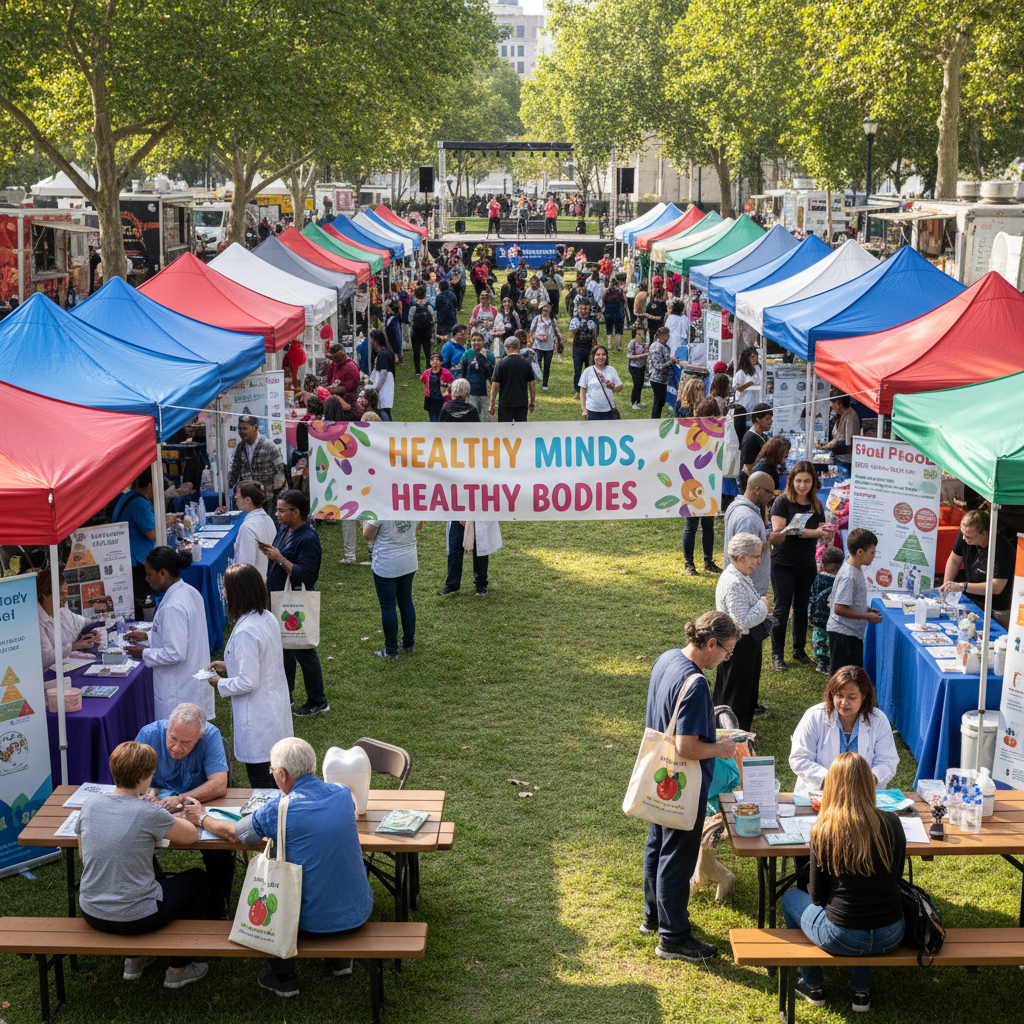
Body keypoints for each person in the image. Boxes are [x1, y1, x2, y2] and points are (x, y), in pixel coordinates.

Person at [184, 737, 373, 997]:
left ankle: (283, 978)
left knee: (267, 907)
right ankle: (340, 961)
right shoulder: (342, 793)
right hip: (357, 913)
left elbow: (234, 834)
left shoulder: (278, 809)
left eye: (272, 771)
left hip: (308, 925)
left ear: (282, 774)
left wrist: (202, 817)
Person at [642, 611, 740, 962]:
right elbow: (687, 746)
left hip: (661, 775)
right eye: (727, 652)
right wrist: (722, 748)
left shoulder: (667, 658)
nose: (726, 659)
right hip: (683, 779)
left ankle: (653, 917)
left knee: (658, 842)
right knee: (679, 855)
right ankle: (673, 938)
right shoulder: (697, 684)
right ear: (711, 643)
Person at [76, 740, 209, 989]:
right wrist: (197, 813)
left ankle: (135, 961)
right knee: (198, 879)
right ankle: (178, 968)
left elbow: (84, 855)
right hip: (137, 918)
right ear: (144, 777)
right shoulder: (149, 813)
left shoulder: (90, 805)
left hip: (91, 911)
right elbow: (191, 835)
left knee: (143, 875)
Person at [780, 750, 905, 1013]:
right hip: (892, 932)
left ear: (832, 786)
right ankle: (861, 992)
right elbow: (894, 879)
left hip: (843, 936)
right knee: (868, 907)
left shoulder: (824, 829)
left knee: (791, 897)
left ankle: (812, 983)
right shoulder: (893, 822)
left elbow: (816, 897)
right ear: (869, 783)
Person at [133, 703, 234, 917]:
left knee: (219, 850)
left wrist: (181, 800)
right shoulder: (148, 734)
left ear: (200, 736)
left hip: (200, 808)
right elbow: (130, 782)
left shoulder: (211, 735)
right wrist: (146, 796)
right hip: (155, 811)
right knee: (133, 838)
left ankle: (218, 904)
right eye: (172, 738)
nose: (177, 748)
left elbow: (219, 784)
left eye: (186, 743)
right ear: (167, 727)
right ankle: (154, 889)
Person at [205, 565, 293, 789]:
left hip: (259, 719)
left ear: (238, 592)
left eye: (226, 587)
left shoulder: (246, 630)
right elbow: (263, 659)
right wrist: (230, 665)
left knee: (264, 784)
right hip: (273, 711)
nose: (223, 591)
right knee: (277, 779)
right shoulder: (267, 618)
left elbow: (248, 681)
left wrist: (219, 682)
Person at [721, 472, 786, 718]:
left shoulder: (736, 507)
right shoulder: (748, 518)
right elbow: (743, 621)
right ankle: (737, 714)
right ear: (757, 489)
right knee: (741, 668)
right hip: (750, 596)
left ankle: (746, 705)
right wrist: (762, 605)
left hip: (749, 590)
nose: (771, 498)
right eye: (770, 493)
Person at [125, 548, 212, 721]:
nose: (146, 579)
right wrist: (149, 637)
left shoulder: (173, 605)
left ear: (163, 573)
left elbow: (175, 652)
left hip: (179, 690)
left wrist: (143, 653)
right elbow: (183, 634)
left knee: (178, 741)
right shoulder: (190, 591)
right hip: (191, 682)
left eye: (149, 574)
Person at [264, 489, 328, 716]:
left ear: (296, 512)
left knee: (303, 650)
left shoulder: (308, 537)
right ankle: (286, 694)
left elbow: (307, 575)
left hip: (294, 603)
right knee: (285, 650)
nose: (277, 514)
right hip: (280, 599)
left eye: (282, 510)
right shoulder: (285, 528)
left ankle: (318, 701)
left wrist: (279, 559)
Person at [790, 666, 899, 797]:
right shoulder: (814, 717)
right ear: (832, 694)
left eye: (852, 697)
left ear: (863, 697)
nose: (844, 702)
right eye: (839, 695)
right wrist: (831, 781)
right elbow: (799, 759)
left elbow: (887, 762)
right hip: (820, 795)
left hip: (863, 797)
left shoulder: (878, 719)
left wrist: (869, 780)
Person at [769, 462, 834, 672]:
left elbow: (821, 527)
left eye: (807, 481)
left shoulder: (815, 503)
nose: (802, 485)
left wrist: (826, 531)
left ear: (814, 482)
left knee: (801, 608)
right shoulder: (781, 502)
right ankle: (777, 653)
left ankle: (799, 650)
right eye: (798, 481)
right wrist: (815, 532)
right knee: (781, 610)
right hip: (783, 564)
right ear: (791, 480)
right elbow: (780, 531)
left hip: (806, 564)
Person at [714, 533, 771, 730]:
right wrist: (763, 606)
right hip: (739, 647)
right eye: (755, 556)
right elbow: (741, 621)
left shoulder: (740, 576)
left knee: (744, 692)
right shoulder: (734, 582)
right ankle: (734, 736)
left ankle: (736, 734)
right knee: (737, 694)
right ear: (741, 558)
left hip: (743, 644)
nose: (758, 561)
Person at [939, 506, 1014, 628]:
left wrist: (961, 586)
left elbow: (996, 587)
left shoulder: (1002, 548)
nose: (964, 538)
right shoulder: (966, 533)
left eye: (968, 536)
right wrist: (947, 587)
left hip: (998, 608)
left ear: (984, 534)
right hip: (973, 602)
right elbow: (954, 559)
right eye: (963, 534)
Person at [362, 519, 423, 658]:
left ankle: (391, 649)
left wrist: (365, 516)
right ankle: (408, 643)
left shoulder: (380, 507)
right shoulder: (410, 501)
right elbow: (419, 525)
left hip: (387, 562)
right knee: (406, 601)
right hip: (408, 559)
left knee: (388, 606)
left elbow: (367, 535)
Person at [826, 528, 883, 673]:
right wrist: (866, 616)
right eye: (872, 552)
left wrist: (866, 610)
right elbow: (839, 608)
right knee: (843, 679)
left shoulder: (854, 569)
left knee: (850, 677)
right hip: (844, 635)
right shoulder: (849, 575)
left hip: (850, 633)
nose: (874, 556)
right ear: (860, 552)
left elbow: (849, 601)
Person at [112, 473, 158, 619]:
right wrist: (167, 522)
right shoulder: (139, 502)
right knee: (141, 601)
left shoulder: (129, 496)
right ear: (150, 486)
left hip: (127, 557)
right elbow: (152, 533)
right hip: (136, 560)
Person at [36, 572, 98, 671]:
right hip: (50, 676)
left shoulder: (63, 612)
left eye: (66, 594)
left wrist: (96, 629)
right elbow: (45, 658)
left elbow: (85, 623)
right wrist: (73, 647)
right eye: (60, 594)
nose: (65, 599)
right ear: (46, 595)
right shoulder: (37, 621)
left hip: (72, 667)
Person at [228, 415, 287, 517]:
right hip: (248, 499)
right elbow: (235, 470)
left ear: (255, 427)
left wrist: (274, 494)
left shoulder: (269, 446)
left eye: (245, 428)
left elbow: (280, 473)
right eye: (240, 428)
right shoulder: (240, 447)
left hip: (267, 499)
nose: (241, 432)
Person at [439, 515, 502, 598]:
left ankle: (481, 585)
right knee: (454, 548)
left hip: (479, 513)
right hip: (458, 512)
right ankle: (452, 585)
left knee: (480, 550)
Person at [809, 546, 845, 673]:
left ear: (823, 563)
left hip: (818, 617)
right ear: (841, 564)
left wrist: (811, 615)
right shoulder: (840, 581)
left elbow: (812, 597)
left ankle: (821, 664)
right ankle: (832, 663)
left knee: (819, 639)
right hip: (834, 619)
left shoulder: (818, 579)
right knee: (832, 640)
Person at [234, 480, 277, 576]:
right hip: (267, 577)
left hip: (256, 584)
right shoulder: (267, 518)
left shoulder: (248, 527)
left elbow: (246, 566)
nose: (235, 497)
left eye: (238, 494)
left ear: (248, 500)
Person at [490, 336, 536, 422]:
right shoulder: (526, 363)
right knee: (521, 431)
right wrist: (532, 401)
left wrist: (492, 404)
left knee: (504, 431)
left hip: (505, 403)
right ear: (519, 347)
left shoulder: (501, 364)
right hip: (521, 403)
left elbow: (495, 386)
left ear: (506, 347)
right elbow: (532, 383)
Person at [815, 393, 860, 479]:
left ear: (839, 404)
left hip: (845, 461)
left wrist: (827, 448)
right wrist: (823, 445)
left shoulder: (850, 417)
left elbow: (848, 443)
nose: (832, 407)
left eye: (833, 405)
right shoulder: (841, 416)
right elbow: (837, 438)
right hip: (839, 459)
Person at [578, 345, 622, 421]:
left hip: (608, 410)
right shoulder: (587, 371)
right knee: (594, 432)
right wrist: (584, 409)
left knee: (609, 432)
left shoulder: (611, 370)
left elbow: (619, 388)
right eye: (598, 355)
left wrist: (613, 387)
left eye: (603, 354)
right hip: (592, 410)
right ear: (593, 357)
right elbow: (583, 390)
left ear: (606, 356)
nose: (601, 357)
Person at [459, 332, 495, 422]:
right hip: (470, 392)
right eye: (473, 340)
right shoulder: (467, 354)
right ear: (470, 342)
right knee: (472, 419)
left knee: (486, 419)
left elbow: (492, 375)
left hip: (483, 392)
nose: (476, 342)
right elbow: (463, 374)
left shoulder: (489, 355)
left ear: (483, 342)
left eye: (479, 340)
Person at [738, 403, 773, 492]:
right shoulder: (751, 439)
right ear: (758, 419)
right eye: (767, 419)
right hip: (750, 487)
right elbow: (747, 467)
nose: (771, 421)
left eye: (771, 418)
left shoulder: (762, 436)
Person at [647, 327, 678, 419]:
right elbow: (658, 366)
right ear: (662, 335)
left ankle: (656, 420)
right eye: (667, 335)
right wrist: (672, 361)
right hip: (657, 379)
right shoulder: (656, 347)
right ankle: (654, 421)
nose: (668, 338)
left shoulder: (664, 347)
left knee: (660, 402)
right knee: (658, 402)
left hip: (662, 380)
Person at [529, 303, 561, 391]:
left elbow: (556, 332)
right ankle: (536, 378)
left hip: (549, 346)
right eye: (544, 310)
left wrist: (558, 342)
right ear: (541, 310)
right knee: (537, 363)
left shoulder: (553, 320)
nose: (545, 312)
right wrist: (531, 340)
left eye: (548, 310)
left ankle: (545, 384)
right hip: (538, 345)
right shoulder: (537, 318)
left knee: (547, 365)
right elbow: (531, 330)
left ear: (550, 311)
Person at [569, 299, 598, 395]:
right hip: (578, 347)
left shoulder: (592, 319)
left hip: (589, 347)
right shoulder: (575, 319)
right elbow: (572, 331)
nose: (583, 311)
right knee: (578, 369)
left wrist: (595, 346)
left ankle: (589, 388)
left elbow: (595, 333)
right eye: (581, 308)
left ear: (589, 308)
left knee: (589, 369)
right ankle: (577, 389)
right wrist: (575, 329)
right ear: (578, 308)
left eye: (585, 309)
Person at [408, 286, 436, 375]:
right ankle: (428, 369)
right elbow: (433, 320)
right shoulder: (429, 307)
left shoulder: (413, 308)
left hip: (416, 333)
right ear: (425, 296)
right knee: (427, 352)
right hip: (427, 333)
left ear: (415, 296)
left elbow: (410, 321)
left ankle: (417, 371)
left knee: (416, 352)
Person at [368, 329, 395, 420]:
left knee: (382, 411)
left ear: (374, 340)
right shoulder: (383, 353)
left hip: (383, 389)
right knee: (384, 410)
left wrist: (376, 389)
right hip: (384, 388)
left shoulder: (383, 354)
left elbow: (383, 372)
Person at [421, 352, 454, 422]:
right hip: (431, 400)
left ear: (441, 362)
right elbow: (423, 380)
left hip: (443, 400)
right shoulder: (426, 372)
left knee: (443, 419)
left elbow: (453, 384)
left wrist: (445, 385)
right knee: (433, 420)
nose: (434, 361)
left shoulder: (446, 372)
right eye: (432, 360)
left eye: (437, 359)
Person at [325, 345, 360, 410]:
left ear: (344, 353)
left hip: (347, 404)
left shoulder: (351, 367)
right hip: (333, 402)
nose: (337, 362)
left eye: (339, 359)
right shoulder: (334, 364)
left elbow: (346, 388)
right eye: (335, 359)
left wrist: (331, 389)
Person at [601, 274, 627, 352]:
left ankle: (609, 344)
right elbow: (624, 301)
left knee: (609, 327)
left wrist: (602, 311)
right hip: (618, 311)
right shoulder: (620, 291)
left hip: (608, 311)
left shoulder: (606, 291)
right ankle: (618, 345)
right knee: (619, 328)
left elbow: (603, 301)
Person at [733, 346, 763, 412]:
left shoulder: (758, 369)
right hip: (744, 405)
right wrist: (749, 384)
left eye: (756, 356)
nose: (755, 359)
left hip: (756, 405)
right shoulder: (741, 373)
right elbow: (738, 388)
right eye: (752, 357)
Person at [626, 323, 648, 410]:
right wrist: (642, 355)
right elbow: (629, 356)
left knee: (641, 384)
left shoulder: (642, 342)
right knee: (636, 384)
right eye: (639, 333)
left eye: (642, 333)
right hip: (634, 367)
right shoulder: (632, 343)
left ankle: (638, 401)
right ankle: (633, 402)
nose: (641, 335)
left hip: (641, 366)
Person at [645, 277, 669, 344]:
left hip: (659, 317)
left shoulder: (664, 292)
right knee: (652, 334)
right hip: (652, 318)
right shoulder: (651, 291)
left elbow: (665, 303)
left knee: (658, 334)